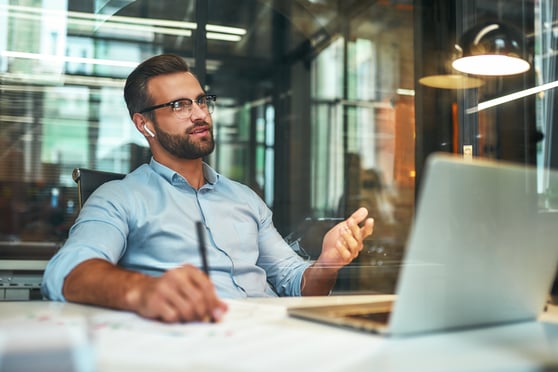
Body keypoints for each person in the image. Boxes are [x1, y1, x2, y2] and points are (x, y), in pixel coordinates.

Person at [41, 54, 374, 323]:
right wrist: (142, 291)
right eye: (179, 105)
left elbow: (297, 283)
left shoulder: (244, 198)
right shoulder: (119, 198)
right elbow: (65, 273)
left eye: (201, 101)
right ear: (144, 125)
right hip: (194, 347)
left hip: (274, 337)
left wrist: (328, 262)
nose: (199, 114)